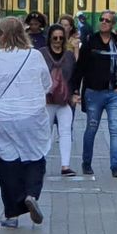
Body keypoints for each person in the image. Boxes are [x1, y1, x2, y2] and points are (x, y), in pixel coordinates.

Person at [0, 17, 52, 228]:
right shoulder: (35, 55)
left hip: (3, 117)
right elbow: (46, 84)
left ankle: (11, 213)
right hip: (32, 115)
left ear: (2, 35)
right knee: (35, 155)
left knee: (5, 162)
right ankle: (31, 194)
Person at [73, 13, 117, 178]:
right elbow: (80, 67)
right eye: (102, 20)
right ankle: (87, 162)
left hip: (114, 93)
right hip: (93, 92)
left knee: (115, 129)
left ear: (113, 24)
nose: (103, 23)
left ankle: (115, 166)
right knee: (91, 128)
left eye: (107, 21)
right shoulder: (91, 41)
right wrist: (75, 90)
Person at [40, 24, 78, 177]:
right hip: (46, 100)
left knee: (65, 132)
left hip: (64, 100)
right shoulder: (41, 54)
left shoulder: (69, 56)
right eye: (55, 37)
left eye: (61, 38)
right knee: (44, 133)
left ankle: (65, 166)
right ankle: (40, 163)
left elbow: (75, 75)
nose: (57, 41)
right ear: (49, 38)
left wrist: (75, 93)